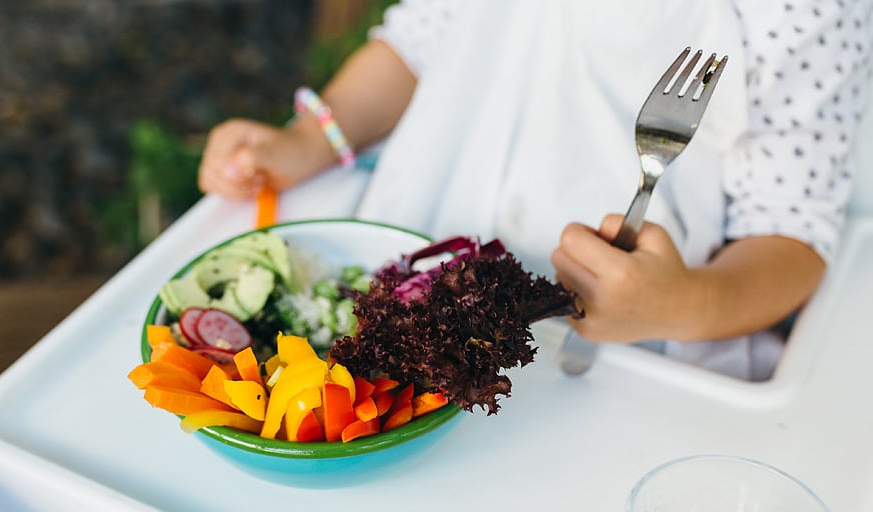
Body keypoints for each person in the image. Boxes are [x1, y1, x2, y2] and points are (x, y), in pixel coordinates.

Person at [199, 0, 872, 382]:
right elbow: (418, 44)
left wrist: (681, 302)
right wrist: (312, 140)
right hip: (401, 267)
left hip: (625, 348)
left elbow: (791, 231)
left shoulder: (802, 10)